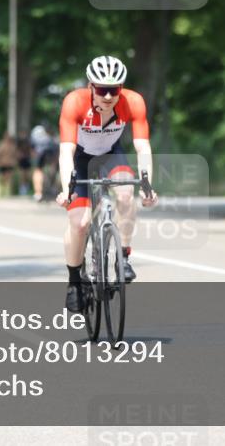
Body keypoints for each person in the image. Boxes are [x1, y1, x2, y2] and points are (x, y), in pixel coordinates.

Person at [56, 55, 158, 312]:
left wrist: (147, 185)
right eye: (102, 89)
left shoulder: (133, 102)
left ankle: (122, 258)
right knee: (79, 223)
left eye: (114, 89)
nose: (109, 96)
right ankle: (74, 282)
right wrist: (66, 188)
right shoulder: (74, 102)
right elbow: (66, 150)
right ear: (91, 86)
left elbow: (142, 146)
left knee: (125, 195)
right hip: (80, 158)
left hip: (111, 155)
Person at [30, 123, 58, 202]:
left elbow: (32, 147)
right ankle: (52, 188)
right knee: (52, 168)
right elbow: (55, 146)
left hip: (39, 153)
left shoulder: (35, 132)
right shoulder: (49, 136)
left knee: (37, 171)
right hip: (50, 151)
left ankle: (38, 194)